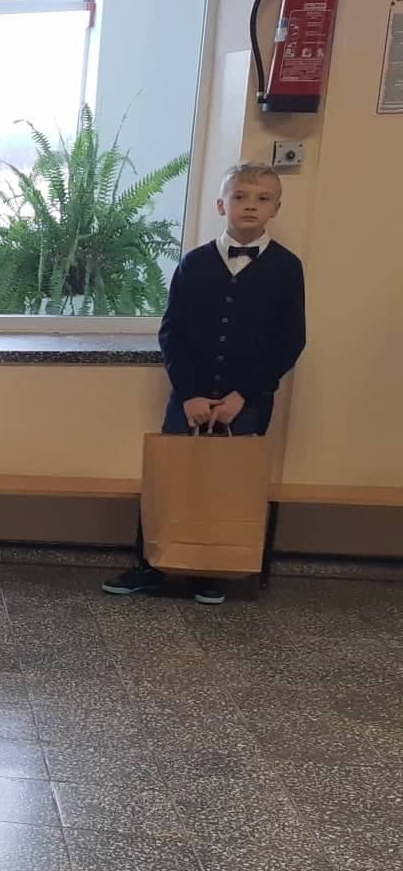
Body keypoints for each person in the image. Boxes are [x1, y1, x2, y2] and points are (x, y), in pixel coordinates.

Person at [104, 162, 306, 605]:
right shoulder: (194, 263)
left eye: (262, 199)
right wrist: (190, 392)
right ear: (221, 205)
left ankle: (213, 570)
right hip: (189, 397)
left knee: (229, 483)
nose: (250, 206)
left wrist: (242, 395)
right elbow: (172, 333)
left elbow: (290, 341)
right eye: (240, 197)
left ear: (275, 208)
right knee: (173, 477)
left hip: (248, 402)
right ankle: (153, 564)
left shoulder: (287, 268)